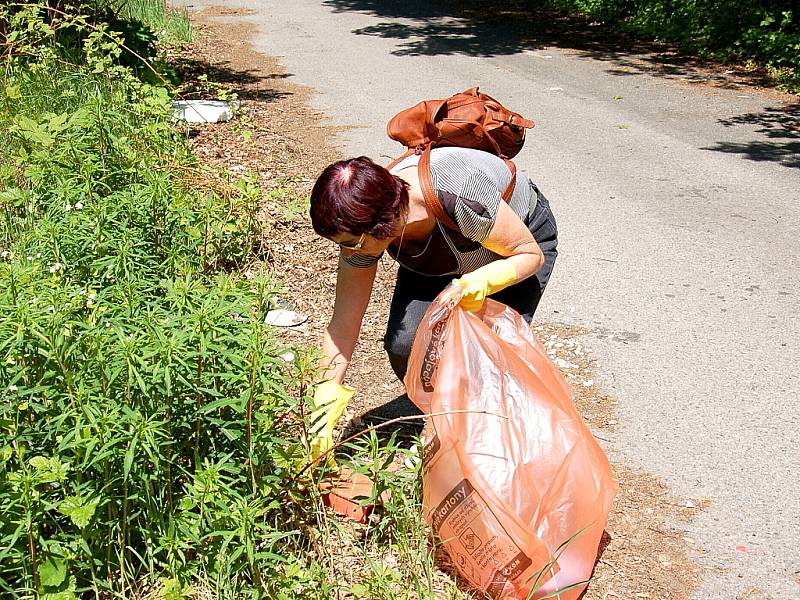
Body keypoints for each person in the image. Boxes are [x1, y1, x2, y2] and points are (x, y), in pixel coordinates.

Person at [306, 147, 558, 459]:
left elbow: (529, 254)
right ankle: (444, 420)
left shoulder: (459, 193)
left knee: (489, 358)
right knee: (406, 345)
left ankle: (495, 448)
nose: (349, 251)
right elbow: (343, 326)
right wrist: (324, 403)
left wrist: (479, 282)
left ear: (383, 225)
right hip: (440, 259)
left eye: (351, 243)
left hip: (513, 249)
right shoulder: (367, 233)